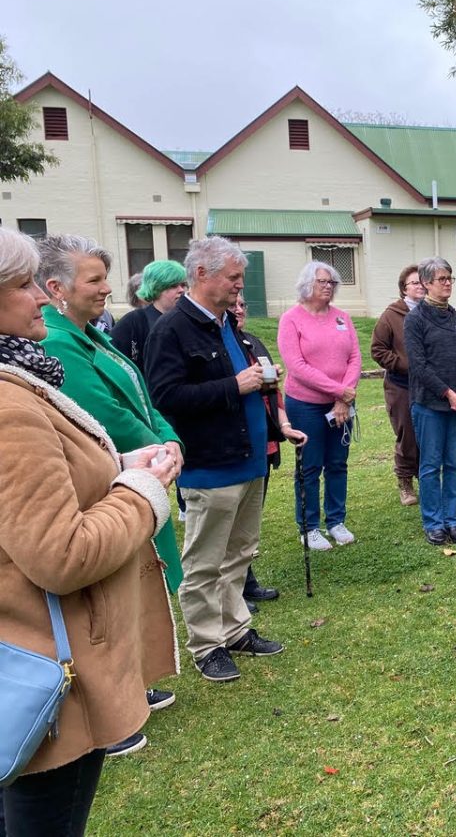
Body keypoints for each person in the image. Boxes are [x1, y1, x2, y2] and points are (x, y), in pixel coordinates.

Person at [0, 227, 175, 834]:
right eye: (24, 285)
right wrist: (142, 493)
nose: (41, 298)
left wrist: (117, 466)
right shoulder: (10, 405)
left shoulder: (22, 379)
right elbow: (61, 553)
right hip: (44, 675)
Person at [36, 234, 187, 757]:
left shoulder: (92, 334)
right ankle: (105, 716)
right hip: (100, 489)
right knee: (96, 603)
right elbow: (108, 415)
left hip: (133, 469)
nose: (107, 288)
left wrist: (167, 437)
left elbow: (140, 397)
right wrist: (158, 447)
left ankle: (129, 688)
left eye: (106, 276)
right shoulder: (56, 342)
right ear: (56, 288)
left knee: (127, 592)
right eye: (95, 279)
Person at [144, 236, 289, 683]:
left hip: (248, 461)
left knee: (240, 553)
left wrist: (262, 385)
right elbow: (164, 397)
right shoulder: (171, 329)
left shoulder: (228, 324)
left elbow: (241, 380)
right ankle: (208, 646)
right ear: (201, 274)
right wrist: (235, 386)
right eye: (233, 278)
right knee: (205, 562)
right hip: (210, 466)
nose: (239, 287)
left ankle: (236, 628)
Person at [277, 262, 362, 551]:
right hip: (305, 404)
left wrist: (343, 398)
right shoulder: (292, 319)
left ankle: (336, 520)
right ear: (306, 285)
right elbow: (297, 366)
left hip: (341, 404)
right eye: (322, 281)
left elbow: (354, 357)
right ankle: (309, 526)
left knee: (337, 463)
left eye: (332, 282)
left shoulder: (342, 318)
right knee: (309, 466)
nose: (328, 286)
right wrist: (339, 390)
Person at [230, 293, 299, 610]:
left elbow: (274, 394)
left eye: (243, 304)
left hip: (264, 441)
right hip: (234, 445)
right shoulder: (220, 347)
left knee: (247, 521)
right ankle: (232, 594)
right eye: (233, 305)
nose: (240, 309)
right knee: (230, 524)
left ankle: (247, 582)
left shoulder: (253, 342)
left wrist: (284, 426)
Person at [405, 257, 456, 546]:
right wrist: (447, 393)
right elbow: (419, 366)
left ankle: (451, 520)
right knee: (431, 465)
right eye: (441, 279)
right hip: (429, 404)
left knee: (454, 464)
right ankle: (433, 522)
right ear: (426, 283)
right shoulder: (415, 319)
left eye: (450, 278)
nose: (447, 283)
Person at [370, 265, 425, 505]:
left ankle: (428, 479)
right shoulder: (391, 315)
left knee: (428, 434)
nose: (419, 286)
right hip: (401, 385)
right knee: (408, 435)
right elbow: (377, 349)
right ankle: (405, 482)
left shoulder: (432, 311)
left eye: (423, 282)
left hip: (429, 386)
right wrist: (403, 364)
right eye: (414, 283)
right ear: (404, 288)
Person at [110, 259, 188, 371]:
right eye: (173, 285)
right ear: (156, 288)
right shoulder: (133, 322)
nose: (181, 290)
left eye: (183, 284)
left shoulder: (189, 321)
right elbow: (112, 360)